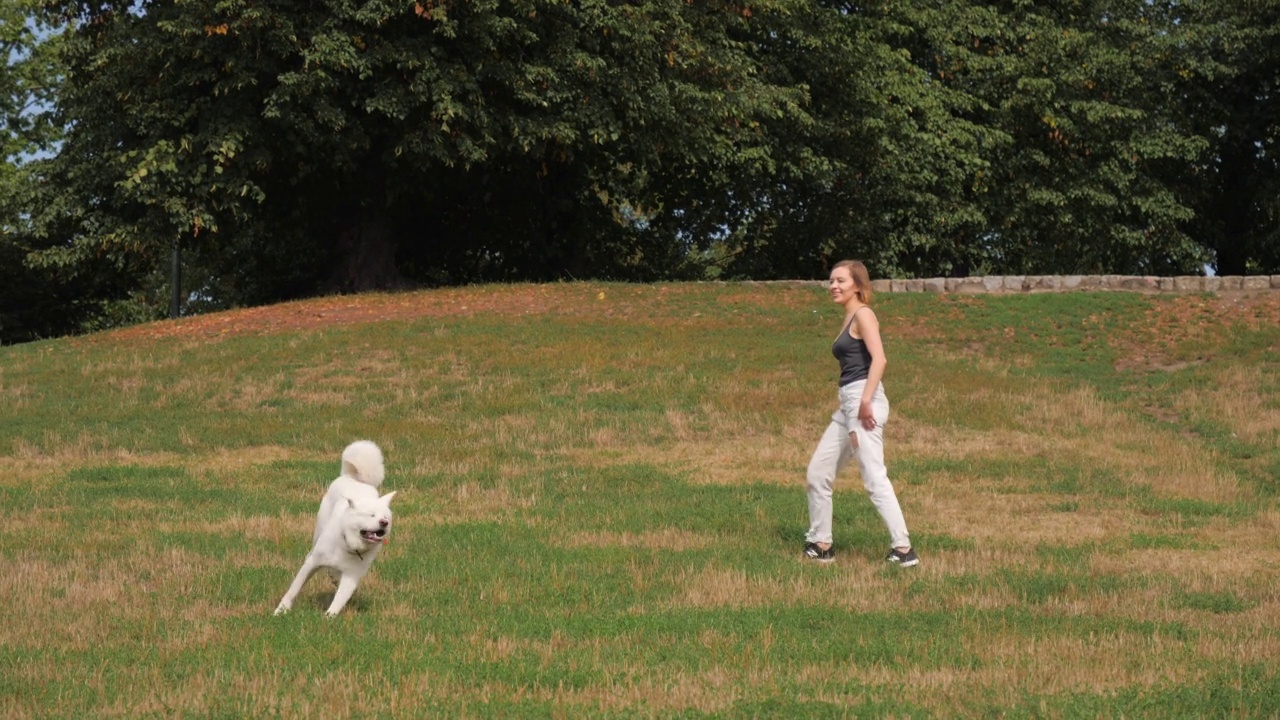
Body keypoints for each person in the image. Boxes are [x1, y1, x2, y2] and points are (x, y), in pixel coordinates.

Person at [803, 260, 919, 566]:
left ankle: (904, 549)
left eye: (840, 280)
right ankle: (821, 542)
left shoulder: (864, 314)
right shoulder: (848, 317)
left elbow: (879, 359)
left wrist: (865, 401)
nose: (833, 286)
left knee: (873, 476)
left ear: (858, 284)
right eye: (831, 281)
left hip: (862, 401)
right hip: (848, 404)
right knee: (818, 473)